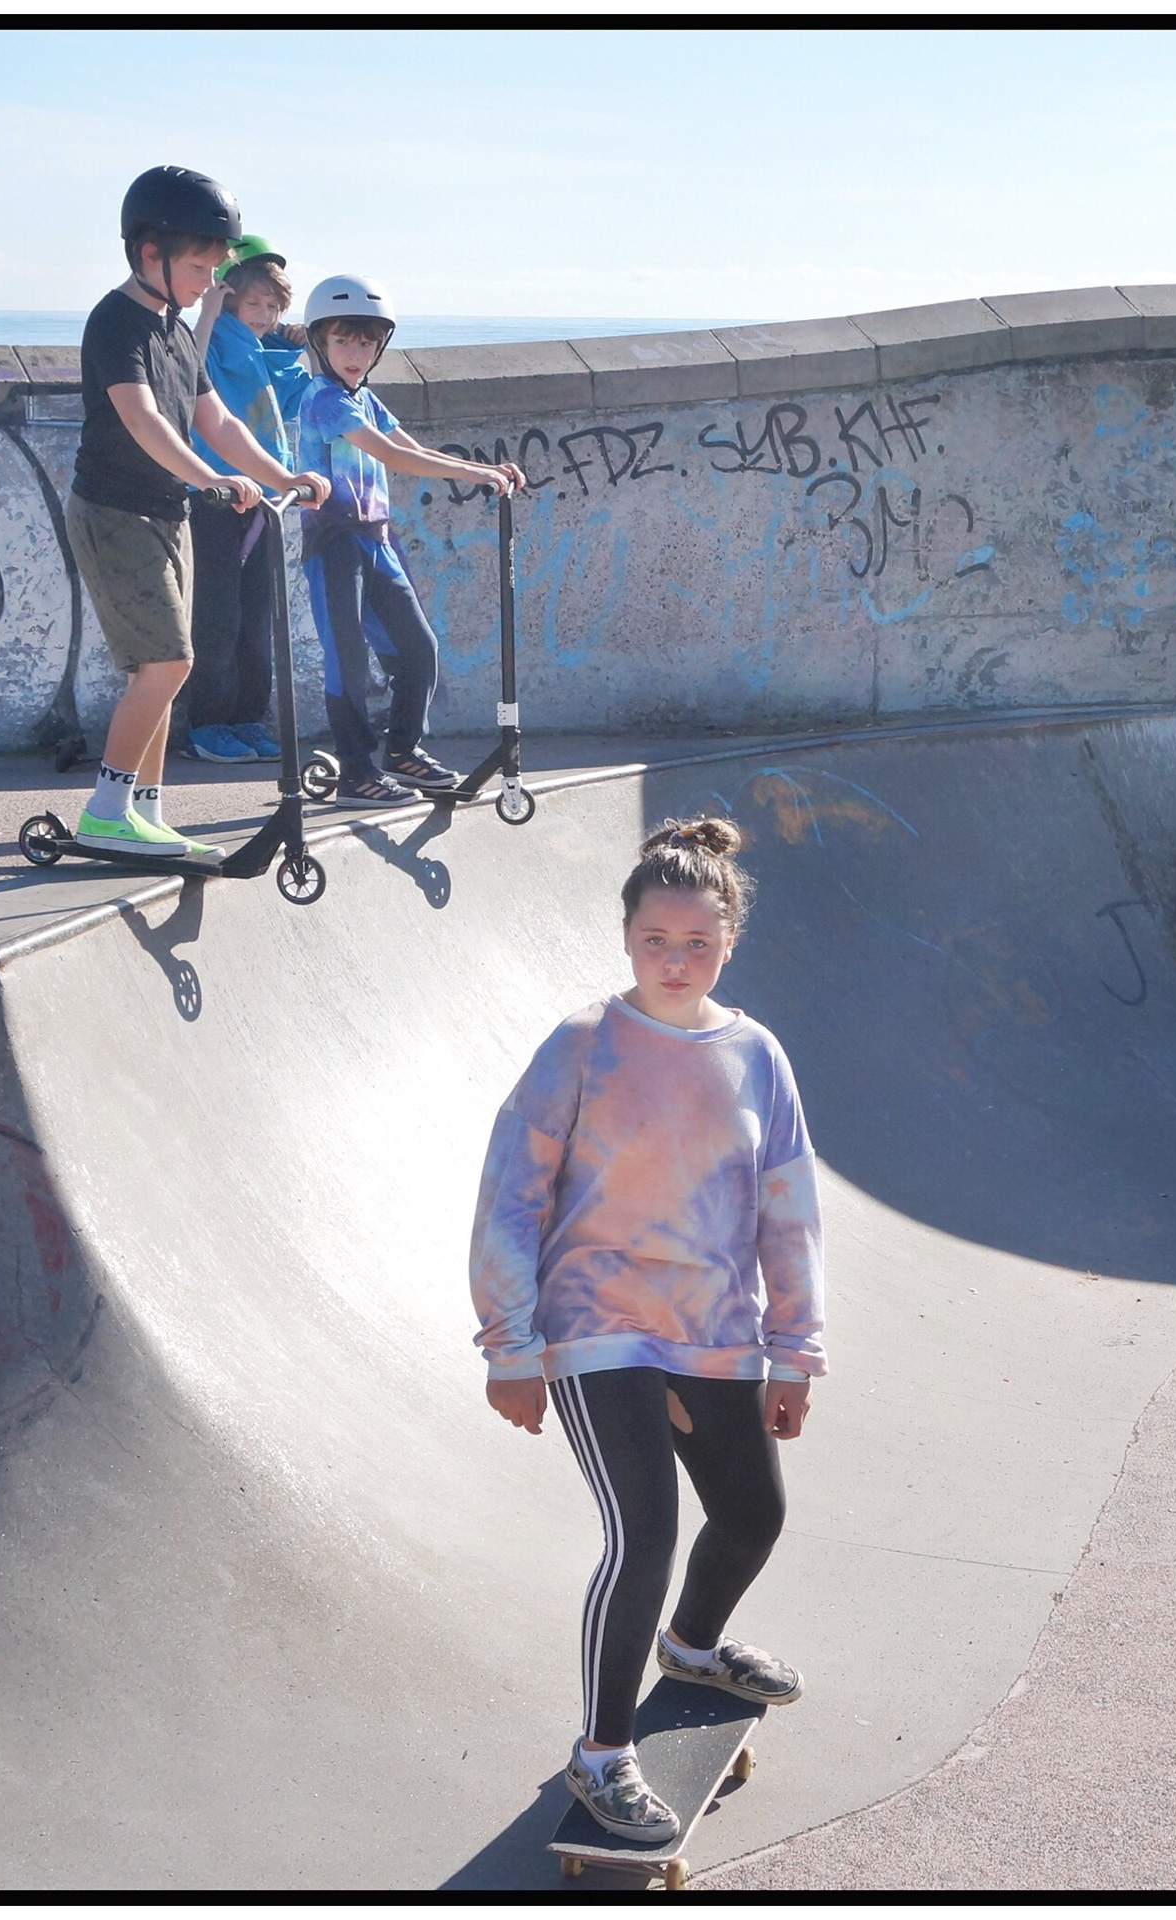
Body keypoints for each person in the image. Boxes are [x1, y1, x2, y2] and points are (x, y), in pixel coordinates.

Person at [469, 818, 825, 1845]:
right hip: (593, 1326)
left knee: (753, 1514)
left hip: (714, 1329)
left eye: (699, 943)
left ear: (729, 945)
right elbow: (510, 1196)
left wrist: (795, 1351)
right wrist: (512, 1346)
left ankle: (694, 1645)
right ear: (626, 936)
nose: (677, 960)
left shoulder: (757, 1054)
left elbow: (788, 1212)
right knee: (646, 1531)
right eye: (657, 940)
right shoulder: (583, 1044)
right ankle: (602, 1754)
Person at [67, 168, 330, 857]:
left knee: (162, 667)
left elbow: (215, 420)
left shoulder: (177, 332)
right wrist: (214, 482)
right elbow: (143, 419)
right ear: (149, 254)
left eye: (217, 267)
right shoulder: (117, 320)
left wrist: (281, 475)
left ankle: (143, 812)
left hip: (165, 512)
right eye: (198, 265)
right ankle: (104, 815)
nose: (209, 281)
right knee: (167, 663)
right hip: (116, 511)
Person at [295, 275, 523, 808]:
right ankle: (355, 772)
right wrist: (477, 478)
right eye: (344, 340)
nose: (356, 353)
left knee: (417, 648)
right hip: (334, 543)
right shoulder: (326, 400)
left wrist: (484, 469)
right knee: (347, 661)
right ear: (320, 343)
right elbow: (394, 458)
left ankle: (402, 754)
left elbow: (408, 444)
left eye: (367, 343)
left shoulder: (364, 398)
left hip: (374, 540)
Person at [177, 238, 313, 765]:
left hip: (265, 500)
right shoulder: (214, 338)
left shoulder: (262, 348)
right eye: (253, 304)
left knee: (258, 620)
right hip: (213, 496)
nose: (263, 315)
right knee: (218, 618)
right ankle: (205, 725)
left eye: (272, 306)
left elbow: (298, 391)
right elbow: (188, 368)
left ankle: (246, 718)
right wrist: (208, 310)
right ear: (231, 298)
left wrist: (299, 340)